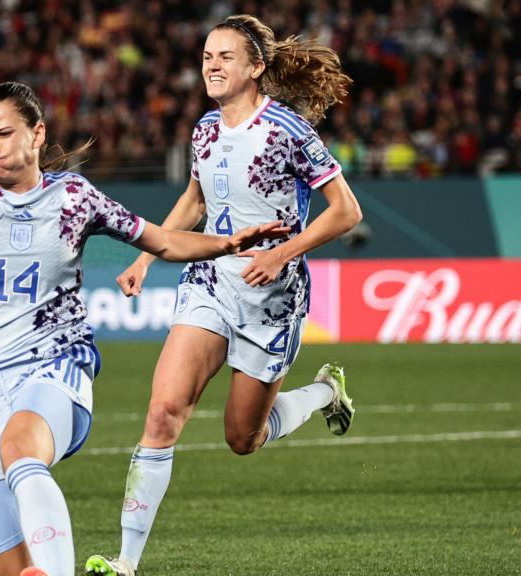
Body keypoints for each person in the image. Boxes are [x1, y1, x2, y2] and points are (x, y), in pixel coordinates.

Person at [0, 81, 287, 576]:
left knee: (20, 448)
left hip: (53, 366)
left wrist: (227, 243)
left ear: (37, 133)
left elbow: (163, 241)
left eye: (2, 133)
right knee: (13, 567)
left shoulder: (74, 198)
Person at [84, 15, 363, 576]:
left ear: (256, 67)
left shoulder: (288, 130)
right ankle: (125, 562)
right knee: (163, 413)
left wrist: (282, 253)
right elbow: (194, 200)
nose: (211, 64)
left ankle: (323, 392)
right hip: (209, 285)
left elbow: (347, 212)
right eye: (207, 55)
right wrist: (145, 256)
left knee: (243, 437)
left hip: (272, 299)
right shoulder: (205, 129)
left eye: (226, 56)